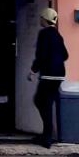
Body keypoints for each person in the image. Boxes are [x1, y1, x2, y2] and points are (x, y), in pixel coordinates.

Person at [30, 8, 68, 148]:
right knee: (46, 102)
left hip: (48, 75)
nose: (39, 20)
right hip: (59, 75)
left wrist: (33, 70)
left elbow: (41, 55)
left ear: (44, 19)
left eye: (41, 18)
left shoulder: (44, 34)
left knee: (40, 101)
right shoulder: (58, 35)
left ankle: (47, 137)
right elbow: (65, 55)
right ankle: (47, 134)